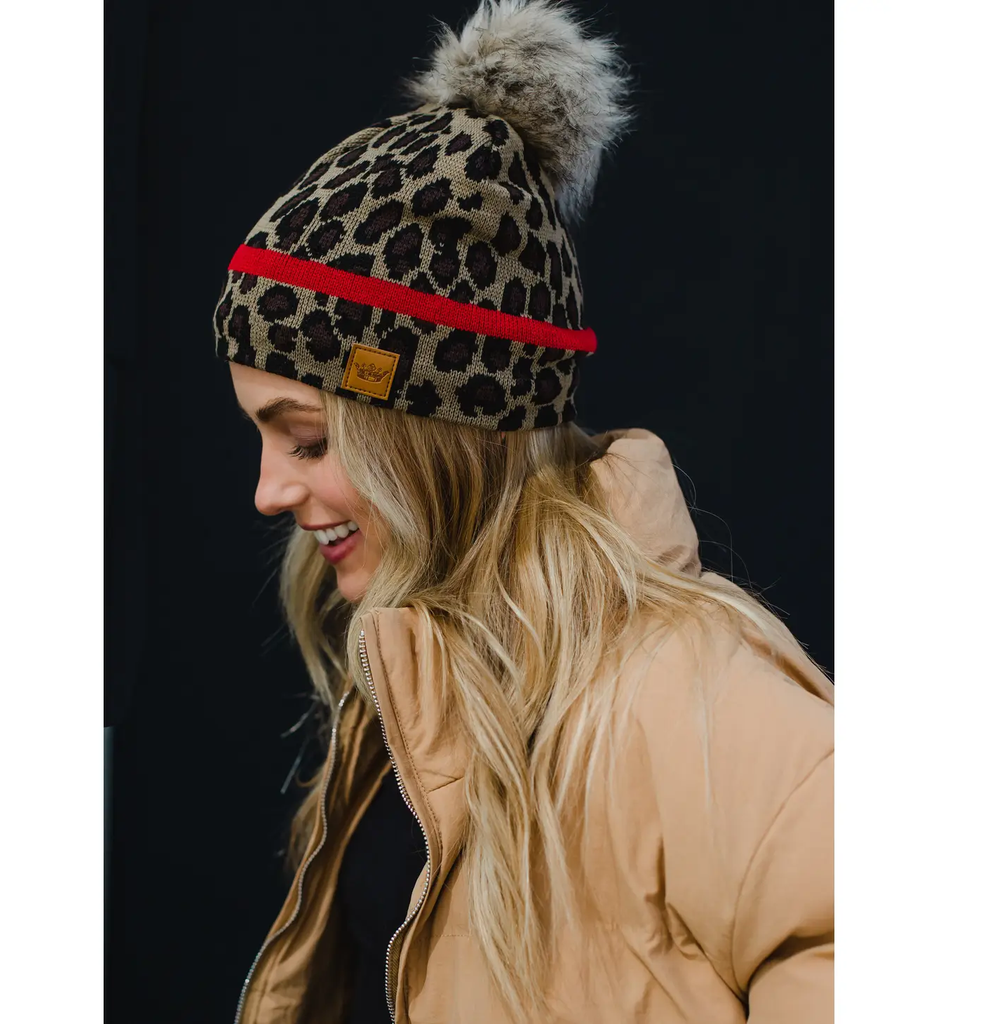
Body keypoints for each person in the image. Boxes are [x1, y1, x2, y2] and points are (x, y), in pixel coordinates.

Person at [213, 2, 834, 1022]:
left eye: (309, 439)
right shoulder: (417, 665)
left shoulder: (679, 692)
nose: (268, 491)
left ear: (431, 433)